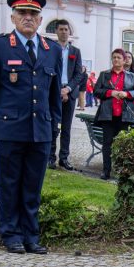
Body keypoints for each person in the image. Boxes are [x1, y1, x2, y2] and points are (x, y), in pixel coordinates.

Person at [0, 0, 61, 255]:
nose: (28, 18)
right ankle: (11, 234)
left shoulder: (52, 50)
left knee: (33, 186)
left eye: (33, 14)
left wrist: (55, 125)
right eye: (22, 13)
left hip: (40, 130)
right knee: (10, 184)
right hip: (10, 128)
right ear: (12, 17)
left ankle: (30, 235)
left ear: (40, 19)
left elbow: (54, 95)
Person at [92, 49, 134, 180]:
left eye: (119, 57)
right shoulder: (104, 74)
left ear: (124, 60)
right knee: (107, 144)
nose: (116, 60)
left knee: (124, 144)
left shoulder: (131, 76)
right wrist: (110, 93)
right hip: (108, 115)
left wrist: (127, 94)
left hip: (125, 116)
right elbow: (96, 91)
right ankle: (106, 171)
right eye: (114, 57)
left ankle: (122, 172)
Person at [48, 19, 84, 171]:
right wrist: (58, 89)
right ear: (56, 31)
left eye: (66, 29)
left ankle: (64, 158)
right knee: (52, 126)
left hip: (69, 92)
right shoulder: (50, 49)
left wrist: (68, 89)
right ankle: (50, 157)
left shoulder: (75, 52)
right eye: (61, 29)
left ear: (69, 32)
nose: (64, 32)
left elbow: (79, 74)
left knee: (66, 127)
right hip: (54, 91)